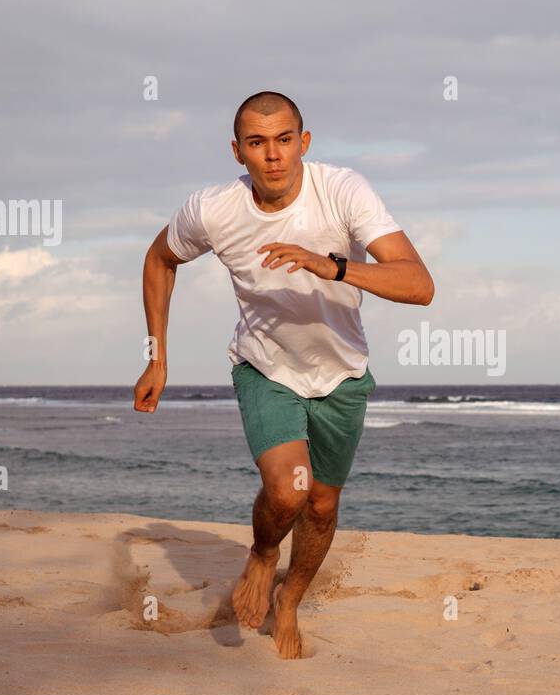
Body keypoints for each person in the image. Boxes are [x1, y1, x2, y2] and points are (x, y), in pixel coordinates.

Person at [133, 90, 434, 658]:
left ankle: (290, 601)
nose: (272, 154)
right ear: (237, 151)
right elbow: (160, 260)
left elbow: (419, 285)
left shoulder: (342, 191)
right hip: (265, 366)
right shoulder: (213, 209)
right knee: (288, 490)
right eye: (257, 142)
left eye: (283, 139)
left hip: (342, 373)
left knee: (321, 504)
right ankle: (264, 553)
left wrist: (334, 265)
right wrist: (157, 356)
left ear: (304, 142)